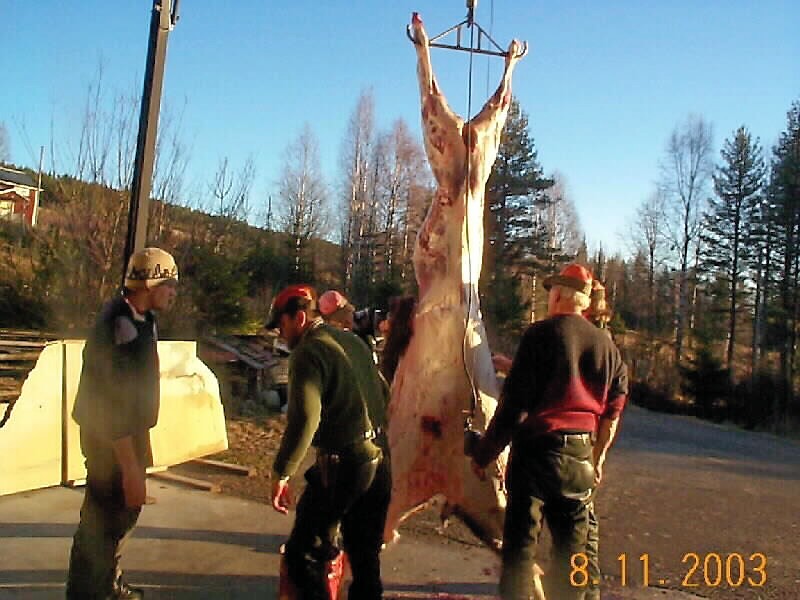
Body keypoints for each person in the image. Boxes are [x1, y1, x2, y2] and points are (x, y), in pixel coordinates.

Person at [470, 263, 628, 600]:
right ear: (585, 301)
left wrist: (483, 454)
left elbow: (514, 408)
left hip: (536, 456)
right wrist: (597, 458)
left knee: (520, 552)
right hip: (580, 458)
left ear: (557, 295)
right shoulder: (608, 348)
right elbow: (612, 413)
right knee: (572, 556)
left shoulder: (540, 335)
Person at [66, 247, 179, 600]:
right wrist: (130, 467)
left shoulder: (143, 319)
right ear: (149, 284)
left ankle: (107, 584)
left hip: (130, 433)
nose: (174, 292)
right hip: (109, 439)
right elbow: (110, 405)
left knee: (122, 516)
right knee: (101, 522)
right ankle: (89, 593)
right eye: (169, 283)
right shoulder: (117, 325)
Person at [267, 284, 391, 600]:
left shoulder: (308, 352)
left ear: (298, 318)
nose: (280, 333)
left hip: (345, 464)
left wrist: (283, 472)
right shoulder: (353, 341)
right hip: (380, 459)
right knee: (365, 559)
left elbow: (305, 419)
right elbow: (384, 393)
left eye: (281, 325)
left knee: (303, 555)